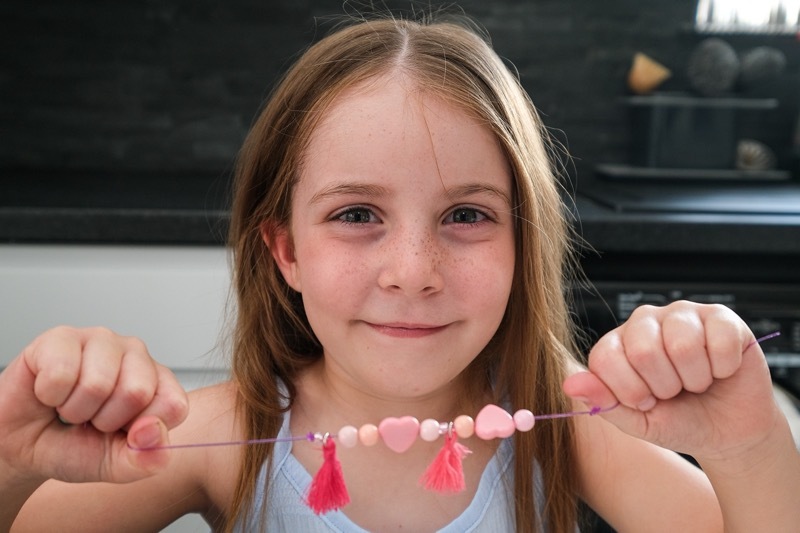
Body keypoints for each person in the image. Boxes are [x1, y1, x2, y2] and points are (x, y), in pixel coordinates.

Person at [2, 11, 799, 533]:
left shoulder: (566, 424)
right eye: (356, 215)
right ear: (285, 251)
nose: (413, 272)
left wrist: (751, 442)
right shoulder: (216, 436)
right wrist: (11, 455)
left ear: (522, 246)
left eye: (466, 215)